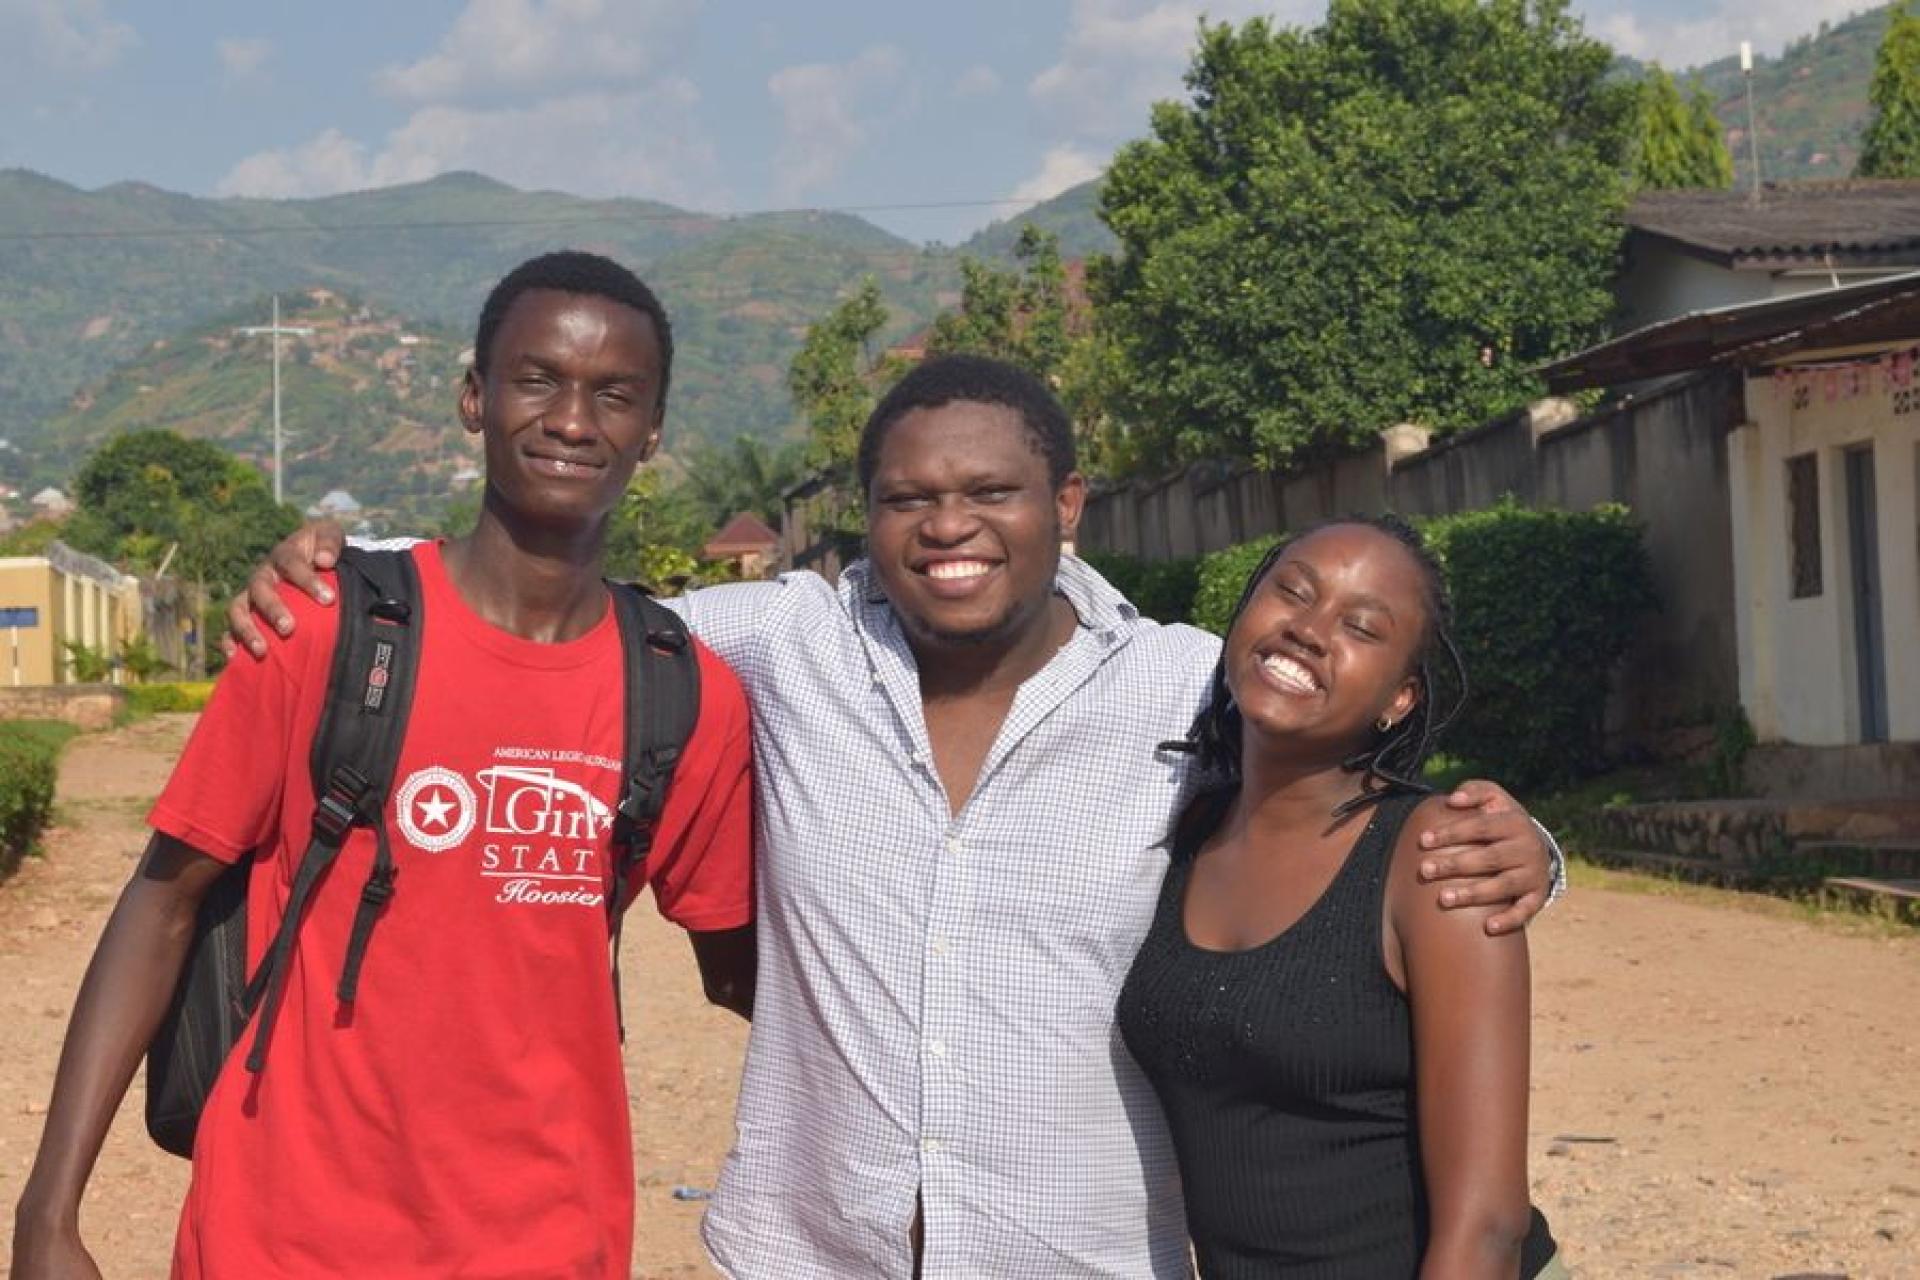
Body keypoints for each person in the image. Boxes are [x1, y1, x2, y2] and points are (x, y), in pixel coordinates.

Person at [226, 354, 1564, 1278]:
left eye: (991, 492)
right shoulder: (782, 642)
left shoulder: (1182, 680)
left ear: (1068, 508)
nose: (949, 527)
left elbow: (1346, 782)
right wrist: (358, 574)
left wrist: (1528, 847)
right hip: (818, 1246)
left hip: (1086, 1255)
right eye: (910, 499)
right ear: (865, 521)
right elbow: (548, 631)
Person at [11, 251, 757, 1279]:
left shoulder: (688, 694)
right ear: (473, 396)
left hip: (548, 1241)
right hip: (279, 1237)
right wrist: (47, 1211)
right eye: (536, 377)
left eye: (615, 394)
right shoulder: (327, 630)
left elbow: (750, 969)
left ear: (654, 432)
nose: (573, 419)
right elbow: (162, 903)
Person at [1118, 516, 1564, 1277]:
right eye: (1291, 592)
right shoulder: (1182, 826)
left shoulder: (1435, 860)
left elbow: (1488, 1225)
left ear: (1400, 698)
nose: (1309, 631)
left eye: (1361, 627)